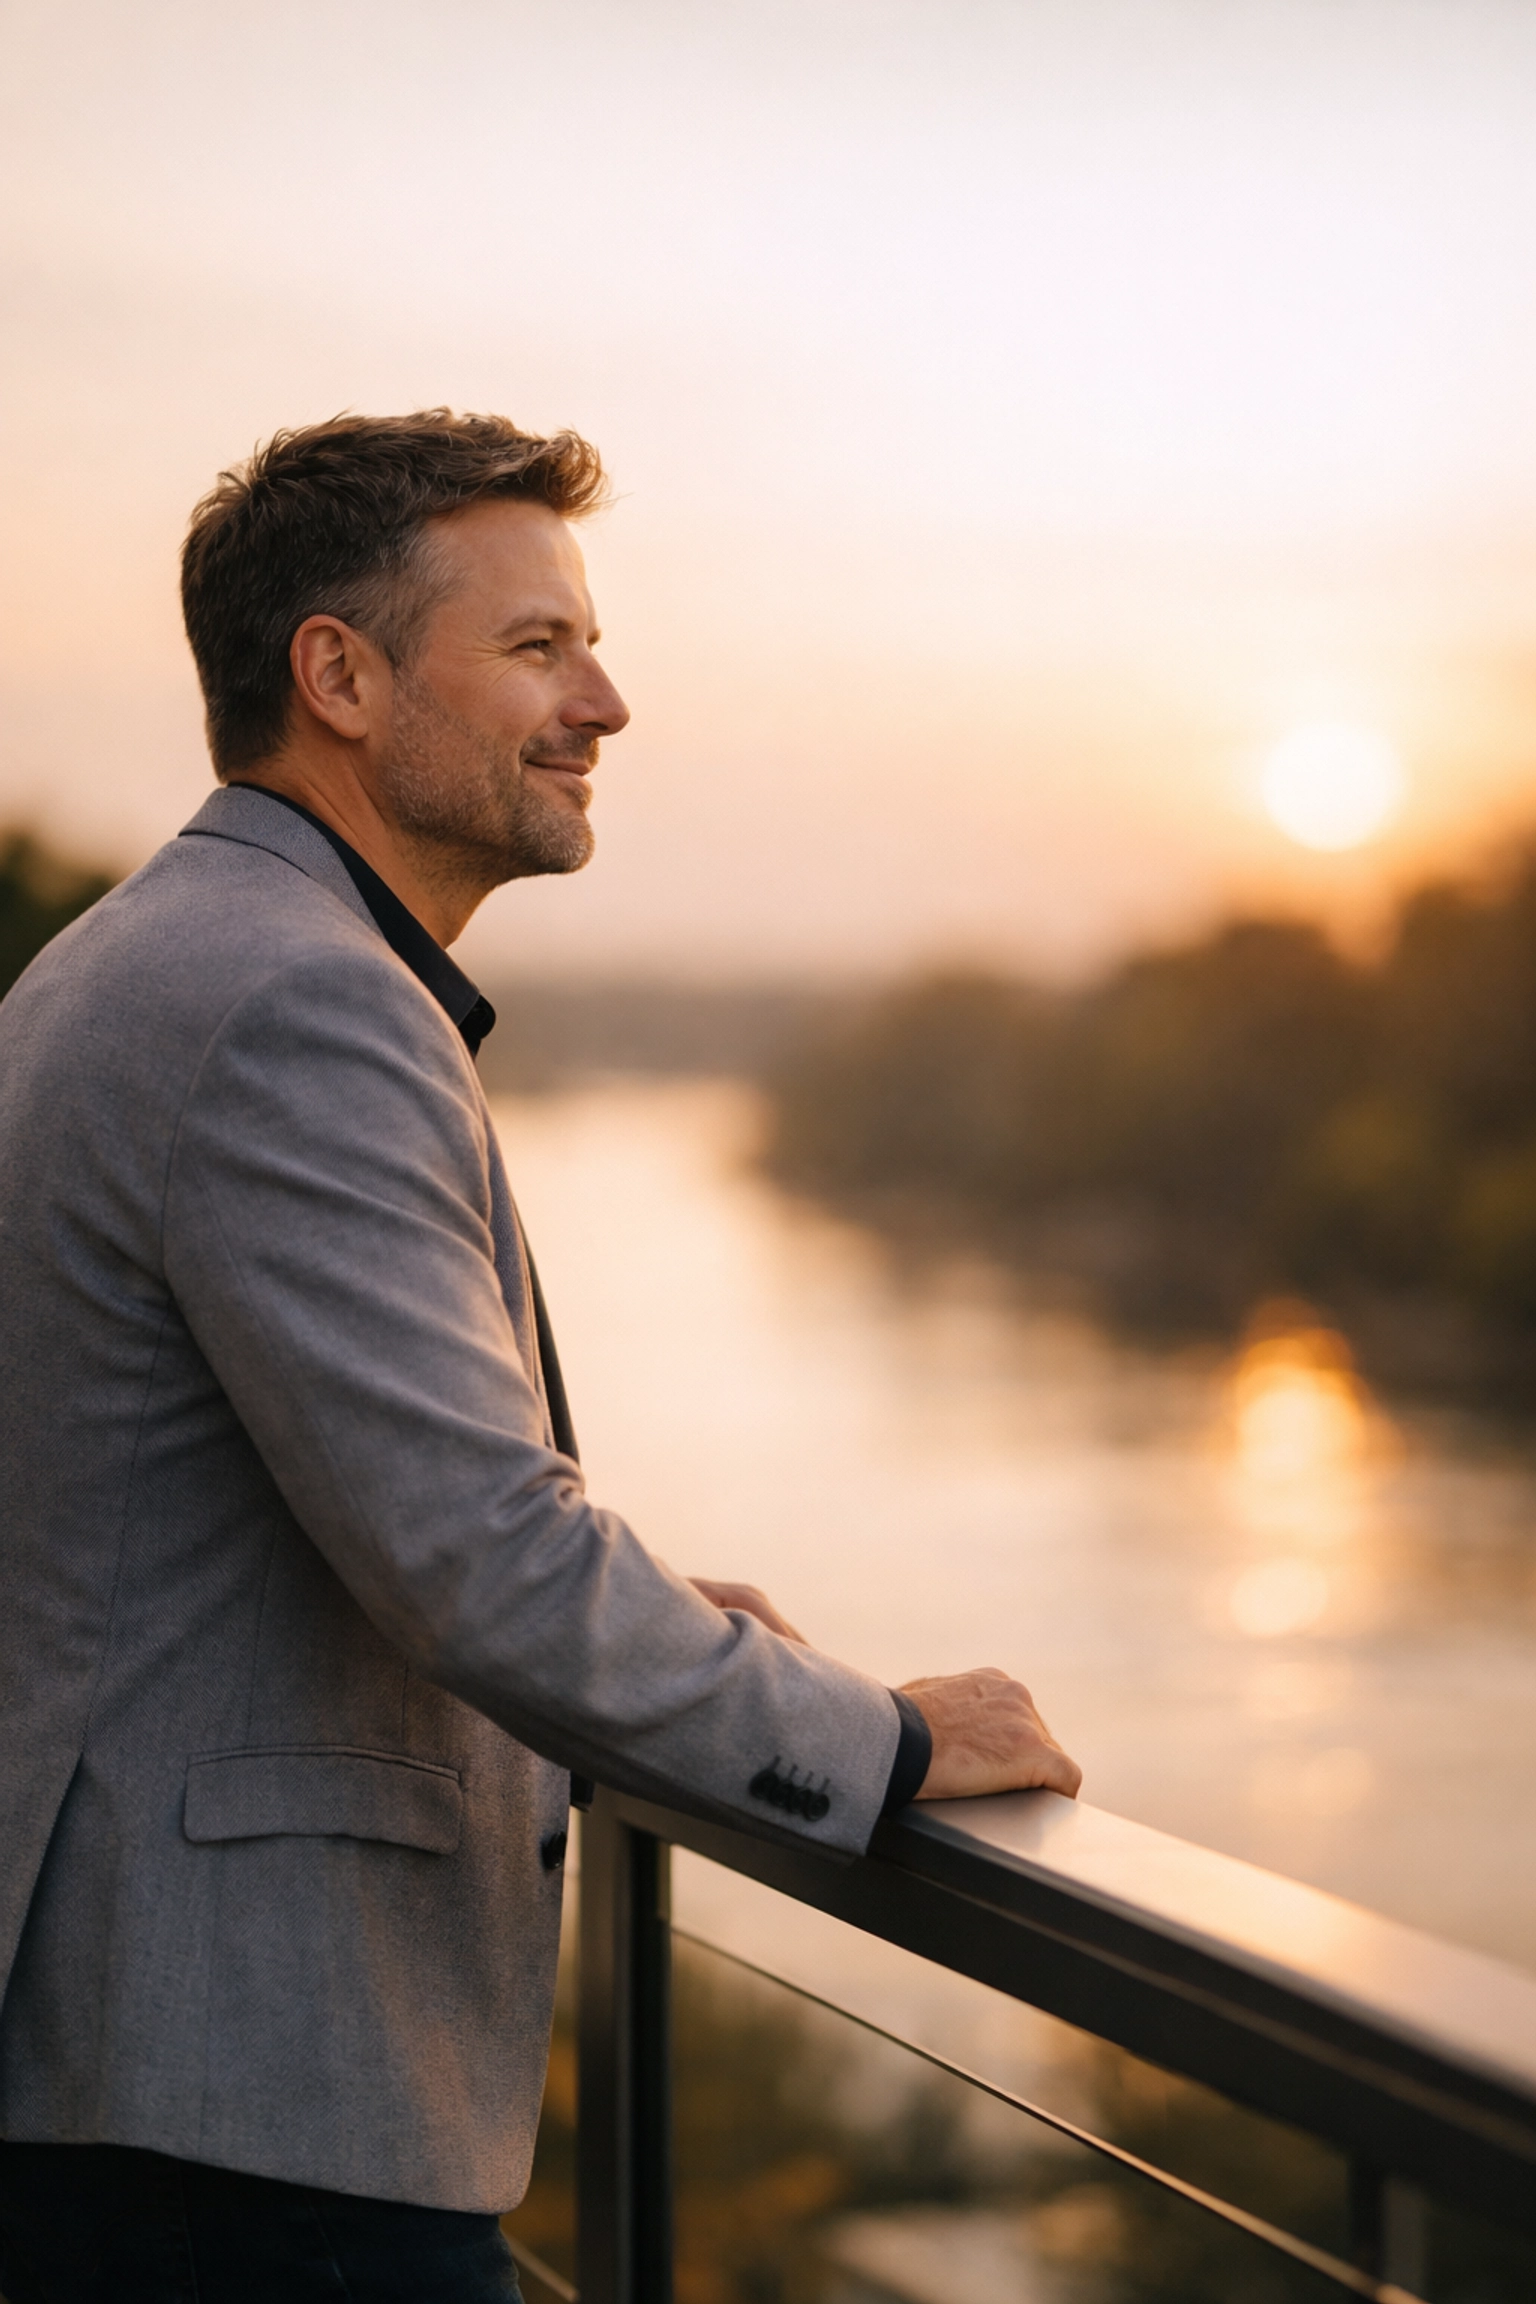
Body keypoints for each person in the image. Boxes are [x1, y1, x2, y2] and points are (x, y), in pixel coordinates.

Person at [0, 410, 1081, 2302]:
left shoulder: (131, 958)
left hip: (147, 2092)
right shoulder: (293, 1004)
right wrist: (893, 1741)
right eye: (537, 646)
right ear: (338, 678)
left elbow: (233, 1515)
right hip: (234, 2120)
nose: (606, 701)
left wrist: (656, 1616)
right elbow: (482, 1561)